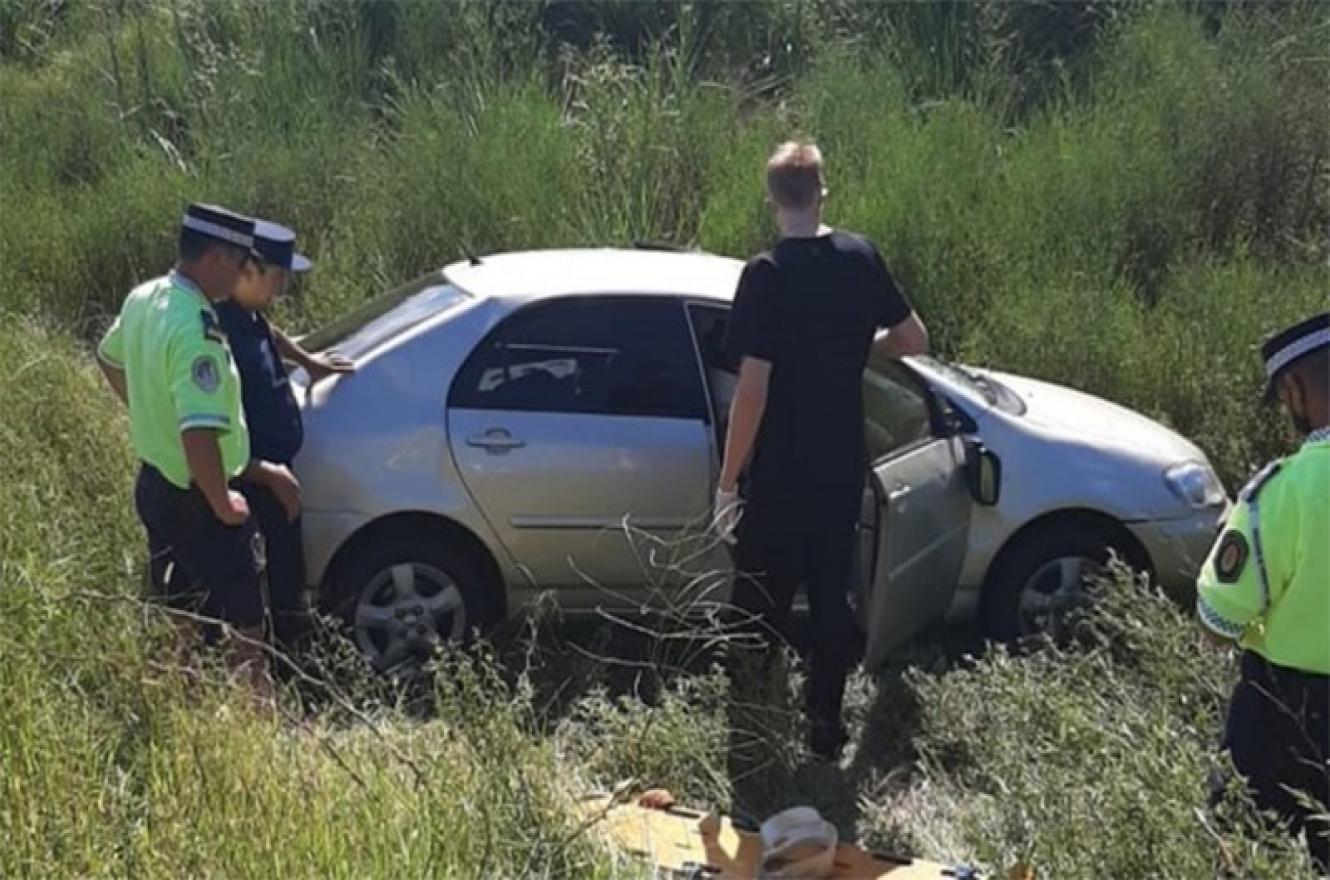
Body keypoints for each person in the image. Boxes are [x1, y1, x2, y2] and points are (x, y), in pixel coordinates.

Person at [715, 140, 929, 760]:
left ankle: (753, 726)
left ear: (773, 201)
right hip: (840, 466)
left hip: (779, 472)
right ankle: (824, 730)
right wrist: (857, 348)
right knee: (832, 600)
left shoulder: (767, 275)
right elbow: (914, 338)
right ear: (822, 192)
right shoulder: (860, 259)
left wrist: (728, 484)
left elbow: (751, 391)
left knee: (759, 601)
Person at [97, 203, 276, 699]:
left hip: (155, 481)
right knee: (246, 618)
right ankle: (257, 716)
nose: (244, 274)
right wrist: (223, 502)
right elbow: (199, 432)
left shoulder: (145, 297)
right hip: (198, 496)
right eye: (241, 262)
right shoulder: (197, 327)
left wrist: (148, 409)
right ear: (217, 256)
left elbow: (108, 357)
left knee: (179, 599)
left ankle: (172, 693)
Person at [1197, 311, 1329, 869]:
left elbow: (1216, 621)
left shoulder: (1285, 490)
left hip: (1286, 716)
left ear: (1296, 389)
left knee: (1249, 848)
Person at [216, 220, 354, 651]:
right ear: (248, 269)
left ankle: (290, 648)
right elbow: (211, 432)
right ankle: (277, 663)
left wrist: (306, 360)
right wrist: (266, 474)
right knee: (263, 578)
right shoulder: (217, 329)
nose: (280, 289)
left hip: (277, 471)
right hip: (251, 479)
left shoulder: (249, 315)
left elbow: (269, 334)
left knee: (288, 568)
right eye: (276, 278)